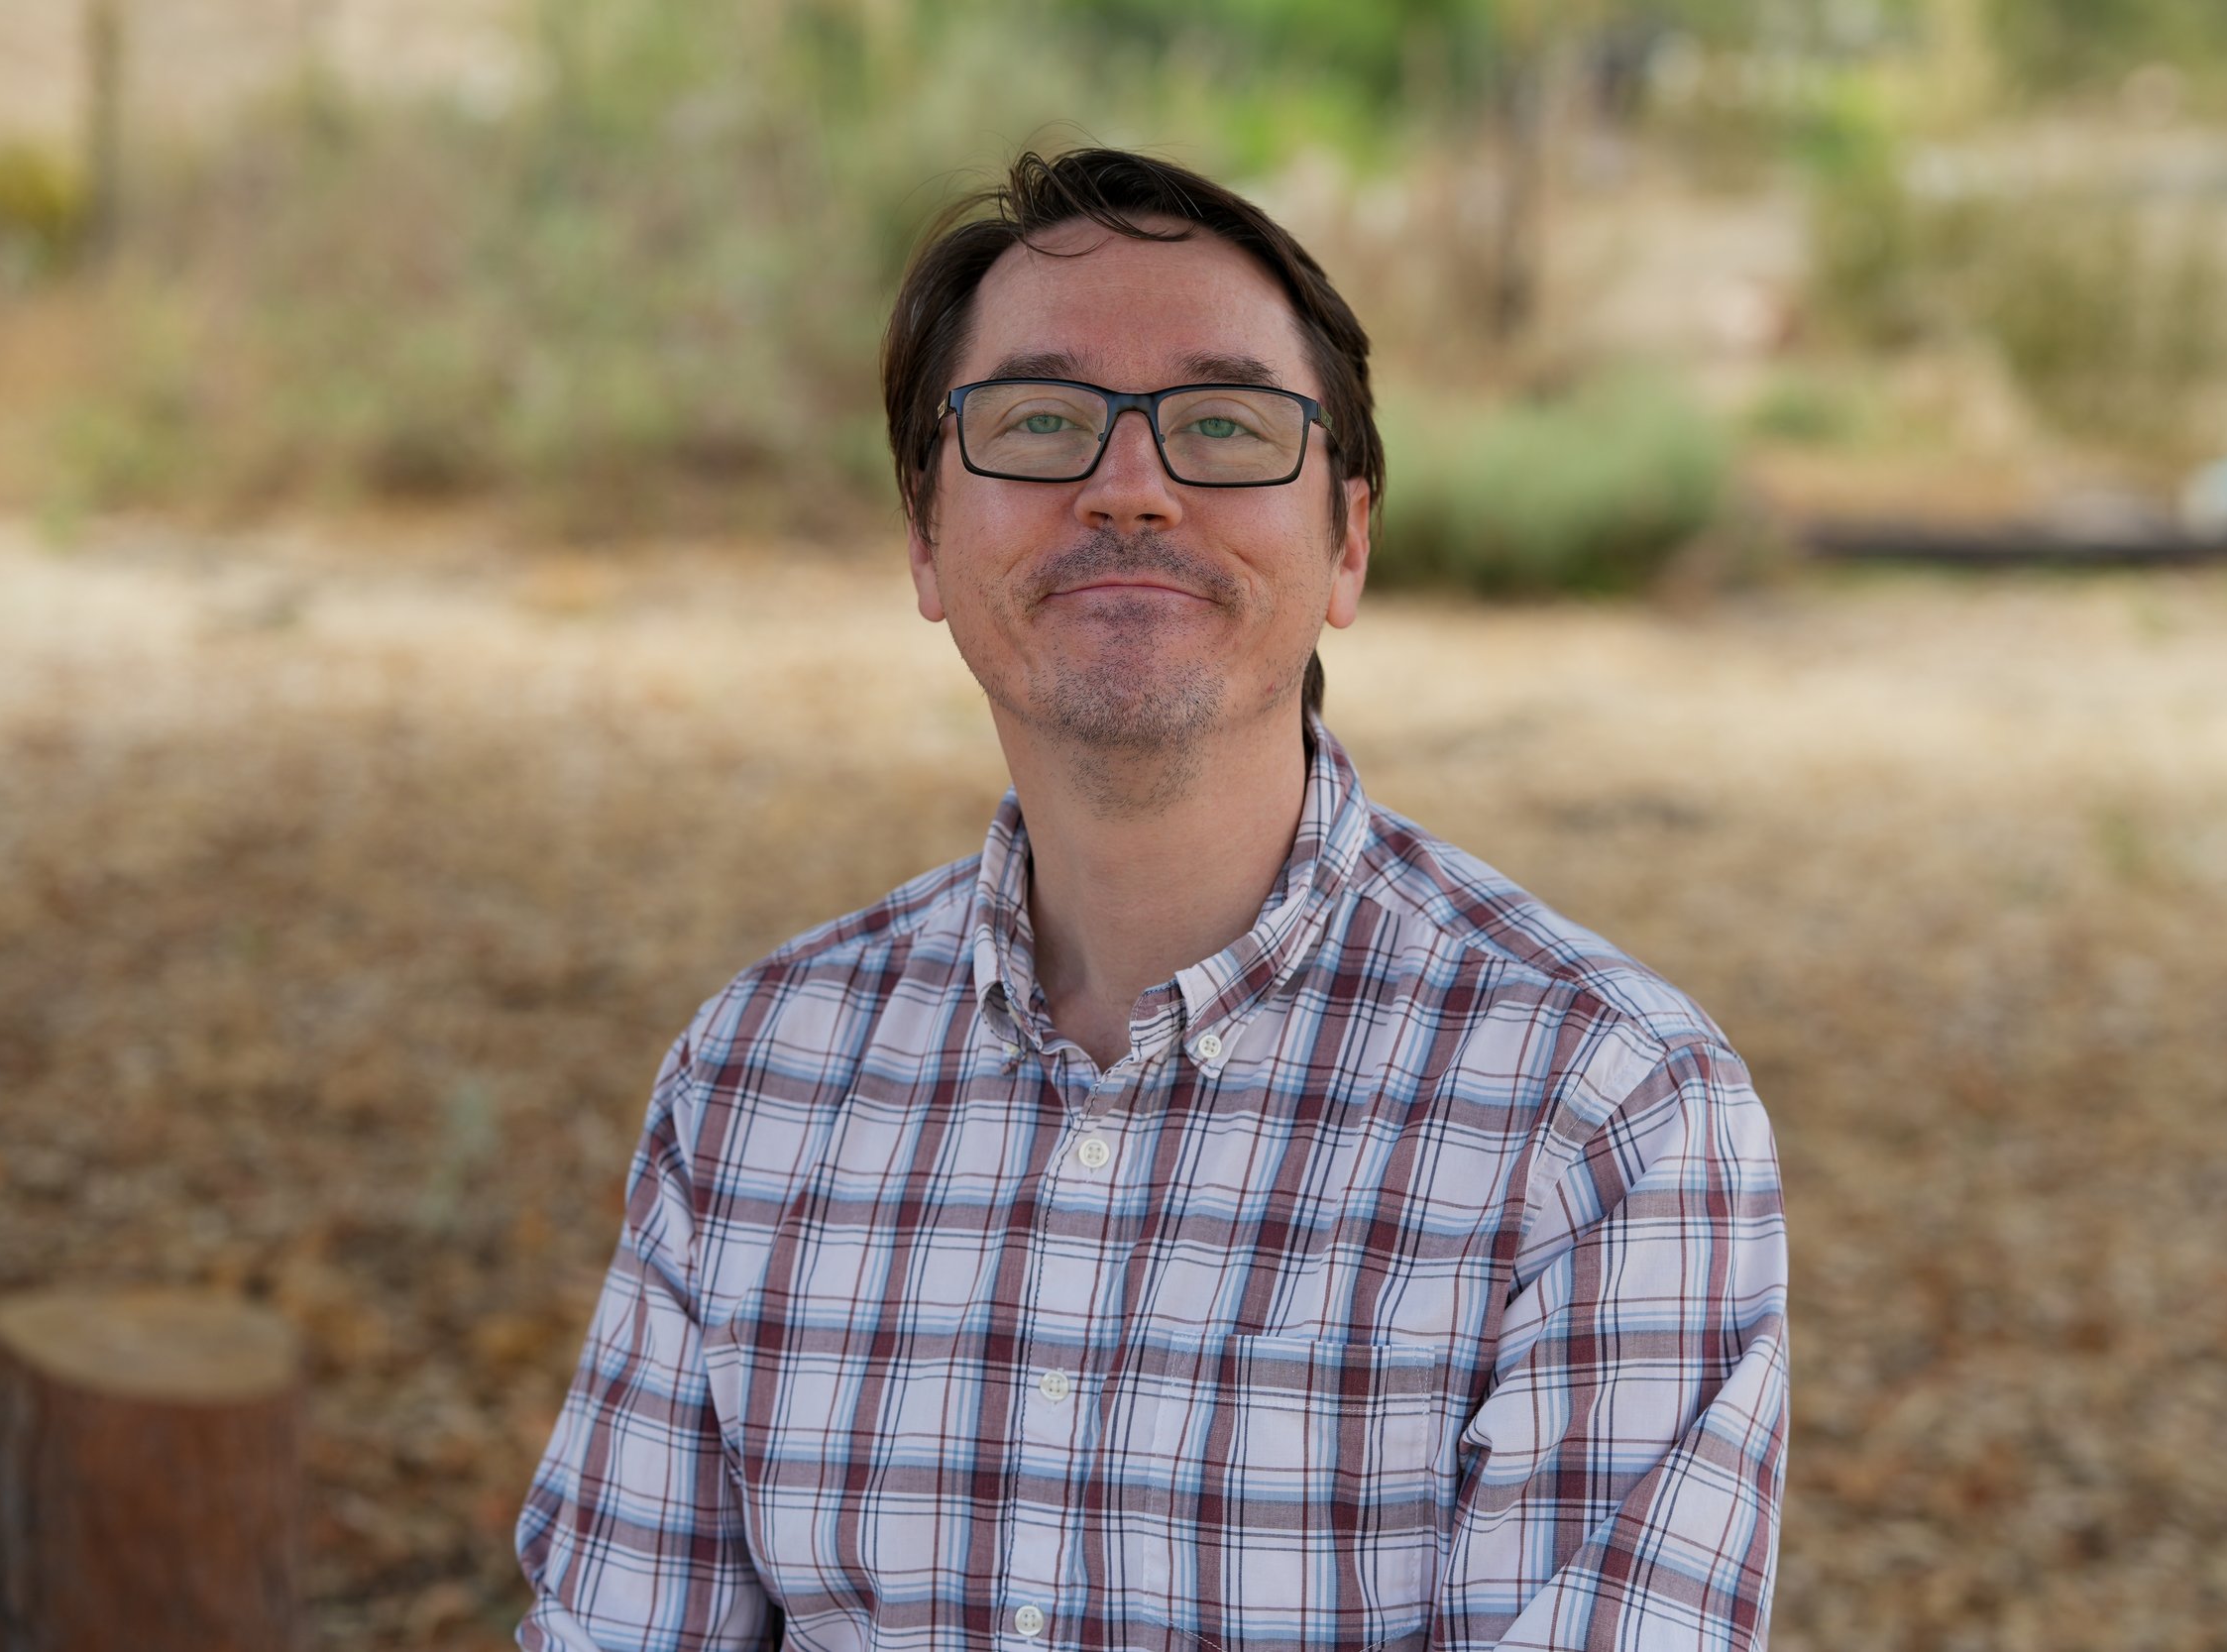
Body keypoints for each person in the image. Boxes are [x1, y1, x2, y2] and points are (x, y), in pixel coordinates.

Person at [516, 147, 1787, 1652]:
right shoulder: (755, 1074)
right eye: (1042, 421)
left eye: (1226, 425)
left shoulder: (1610, 1108)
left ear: (1349, 542)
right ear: (927, 536)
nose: (1132, 487)